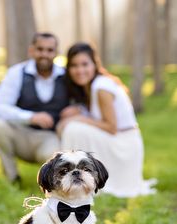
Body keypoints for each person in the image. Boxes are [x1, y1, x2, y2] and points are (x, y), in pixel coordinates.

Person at [58, 43, 157, 197]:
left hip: (124, 144)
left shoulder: (101, 87)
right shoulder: (94, 85)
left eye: (85, 64)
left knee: (73, 128)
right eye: (74, 65)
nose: (80, 70)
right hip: (120, 139)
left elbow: (111, 127)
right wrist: (80, 110)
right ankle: (73, 177)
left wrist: (79, 117)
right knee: (72, 124)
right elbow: (99, 116)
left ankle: (73, 179)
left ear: (94, 64)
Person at [0, 32, 69, 184]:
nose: (44, 54)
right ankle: (11, 178)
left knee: (56, 167)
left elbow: (80, 104)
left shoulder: (65, 75)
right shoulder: (17, 73)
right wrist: (30, 117)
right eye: (40, 49)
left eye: (49, 50)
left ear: (56, 52)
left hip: (49, 138)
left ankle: (49, 190)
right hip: (21, 134)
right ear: (31, 50)